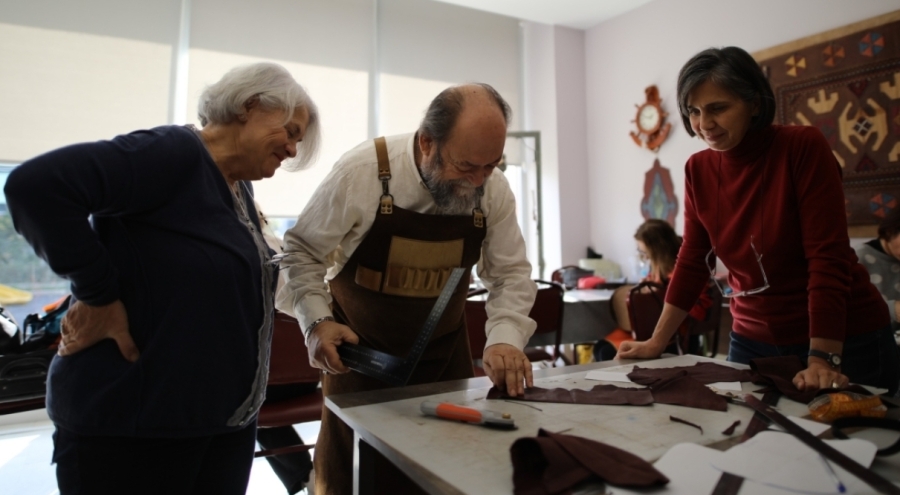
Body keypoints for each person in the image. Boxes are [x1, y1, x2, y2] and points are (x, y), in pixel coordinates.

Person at [4, 62, 321, 495]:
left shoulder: (237, 188)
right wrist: (98, 294)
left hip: (216, 426)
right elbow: (37, 187)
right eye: (290, 130)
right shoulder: (172, 152)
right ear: (250, 106)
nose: (291, 149)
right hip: (135, 430)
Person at [275, 83, 537, 494]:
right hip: (360, 368)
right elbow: (301, 253)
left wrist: (505, 340)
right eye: (467, 166)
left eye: (491, 166)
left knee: (444, 476)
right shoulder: (362, 173)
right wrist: (316, 322)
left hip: (445, 360)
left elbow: (510, 275)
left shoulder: (492, 189)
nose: (477, 182)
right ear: (427, 142)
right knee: (354, 479)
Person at [617, 46, 900, 395]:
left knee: (859, 444)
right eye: (694, 111)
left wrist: (823, 357)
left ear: (754, 103)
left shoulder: (801, 147)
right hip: (752, 338)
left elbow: (827, 257)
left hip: (844, 337)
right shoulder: (698, 169)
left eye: (718, 108)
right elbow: (692, 259)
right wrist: (655, 341)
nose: (704, 124)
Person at [594, 219, 709, 360]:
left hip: (676, 336)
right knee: (600, 347)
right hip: (653, 330)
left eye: (645, 252)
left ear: (657, 250)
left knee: (607, 352)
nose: (645, 257)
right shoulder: (658, 270)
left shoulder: (684, 274)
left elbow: (700, 311)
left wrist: (663, 295)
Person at [856, 207, 900, 334]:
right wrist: (892, 310)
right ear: (891, 231)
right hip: (874, 342)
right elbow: (849, 309)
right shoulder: (859, 258)